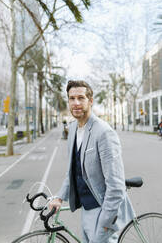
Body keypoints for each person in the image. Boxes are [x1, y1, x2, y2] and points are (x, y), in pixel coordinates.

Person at [50, 80, 135, 243]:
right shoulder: (73, 128)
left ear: (90, 101)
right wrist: (59, 197)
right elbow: (73, 171)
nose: (76, 103)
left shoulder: (103, 133)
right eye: (71, 98)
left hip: (103, 209)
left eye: (81, 98)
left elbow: (116, 185)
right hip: (86, 208)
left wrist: (106, 222)